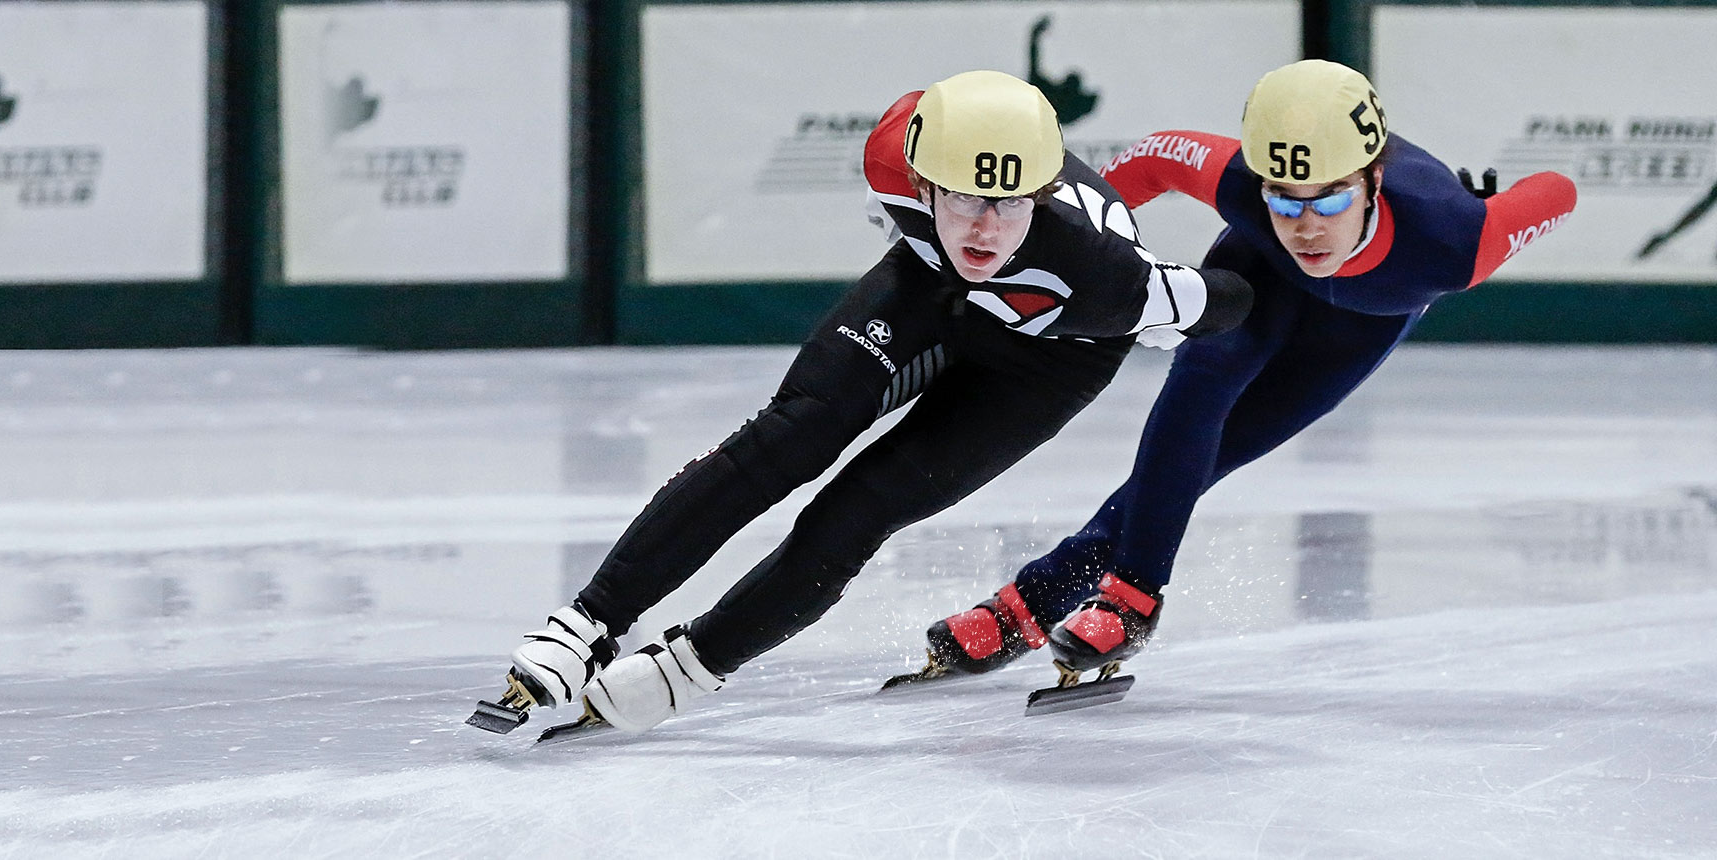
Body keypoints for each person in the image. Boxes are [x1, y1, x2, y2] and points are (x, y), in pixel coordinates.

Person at [468, 70, 1253, 735]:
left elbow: (1229, 299)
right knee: (793, 432)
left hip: (1047, 361)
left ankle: (689, 668)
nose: (984, 227)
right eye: (964, 199)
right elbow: (959, 237)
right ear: (918, 181)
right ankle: (586, 623)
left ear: (1044, 195)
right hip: (929, 291)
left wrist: (1167, 315)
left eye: (1011, 204)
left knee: (862, 506)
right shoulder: (891, 154)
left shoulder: (1111, 276)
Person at [914, 60, 1580, 691]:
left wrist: (1495, 206)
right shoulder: (1237, 183)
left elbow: (1558, 190)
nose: (1308, 228)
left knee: (1215, 454)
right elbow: (1147, 161)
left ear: (1374, 181)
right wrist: (1080, 245)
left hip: (1361, 322)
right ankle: (1130, 596)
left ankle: (1033, 600)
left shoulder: (1453, 243)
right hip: (1259, 275)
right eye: (1285, 203)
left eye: (1328, 201)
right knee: (1201, 378)